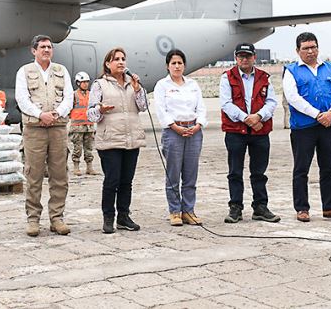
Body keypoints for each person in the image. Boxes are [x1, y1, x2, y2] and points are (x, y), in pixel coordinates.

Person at [283, 32, 331, 222]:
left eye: (313, 47)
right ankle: (302, 208)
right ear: (298, 50)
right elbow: (293, 98)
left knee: (328, 167)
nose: (310, 51)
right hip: (303, 128)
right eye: (306, 48)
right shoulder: (291, 71)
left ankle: (330, 207)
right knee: (301, 169)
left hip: (329, 125)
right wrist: (317, 115)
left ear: (318, 48)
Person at [15, 35, 73, 237]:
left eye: (49, 47)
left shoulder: (61, 71)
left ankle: (57, 218)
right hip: (35, 129)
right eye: (42, 47)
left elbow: (69, 97)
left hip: (58, 128)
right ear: (34, 51)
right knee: (34, 174)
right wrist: (40, 114)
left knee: (59, 174)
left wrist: (56, 113)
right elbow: (22, 99)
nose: (47, 50)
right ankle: (33, 219)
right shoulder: (24, 71)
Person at [87, 48, 147, 234]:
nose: (121, 62)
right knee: (112, 180)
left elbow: (143, 107)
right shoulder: (99, 85)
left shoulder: (133, 83)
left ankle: (123, 216)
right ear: (108, 64)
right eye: (116, 59)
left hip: (131, 139)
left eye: (123, 59)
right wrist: (100, 110)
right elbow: (90, 114)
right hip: (110, 140)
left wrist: (138, 90)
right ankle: (108, 218)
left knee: (126, 181)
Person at [219, 43, 280, 224]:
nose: (244, 59)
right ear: (236, 58)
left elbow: (271, 102)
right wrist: (246, 118)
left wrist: (259, 116)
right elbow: (226, 103)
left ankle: (260, 207)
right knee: (235, 172)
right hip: (235, 131)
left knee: (259, 172)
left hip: (260, 132)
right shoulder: (227, 77)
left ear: (254, 57)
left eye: (247, 56)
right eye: (241, 56)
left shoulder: (264, 77)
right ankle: (235, 207)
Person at [154, 49, 207, 227]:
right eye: (173, 63)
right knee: (173, 174)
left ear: (184, 65)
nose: (177, 66)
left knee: (191, 174)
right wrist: (175, 127)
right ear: (167, 66)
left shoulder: (192, 84)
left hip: (193, 130)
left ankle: (188, 211)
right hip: (173, 132)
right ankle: (175, 211)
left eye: (180, 63)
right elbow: (161, 110)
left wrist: (198, 125)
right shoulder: (162, 85)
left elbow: (201, 107)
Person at [68, 71, 99, 176]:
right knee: (77, 148)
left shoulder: (91, 95)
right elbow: (69, 109)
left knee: (89, 148)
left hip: (89, 126)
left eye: (87, 82)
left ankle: (89, 168)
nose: (86, 84)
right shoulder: (74, 95)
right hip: (77, 127)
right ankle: (76, 167)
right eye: (83, 82)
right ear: (78, 83)